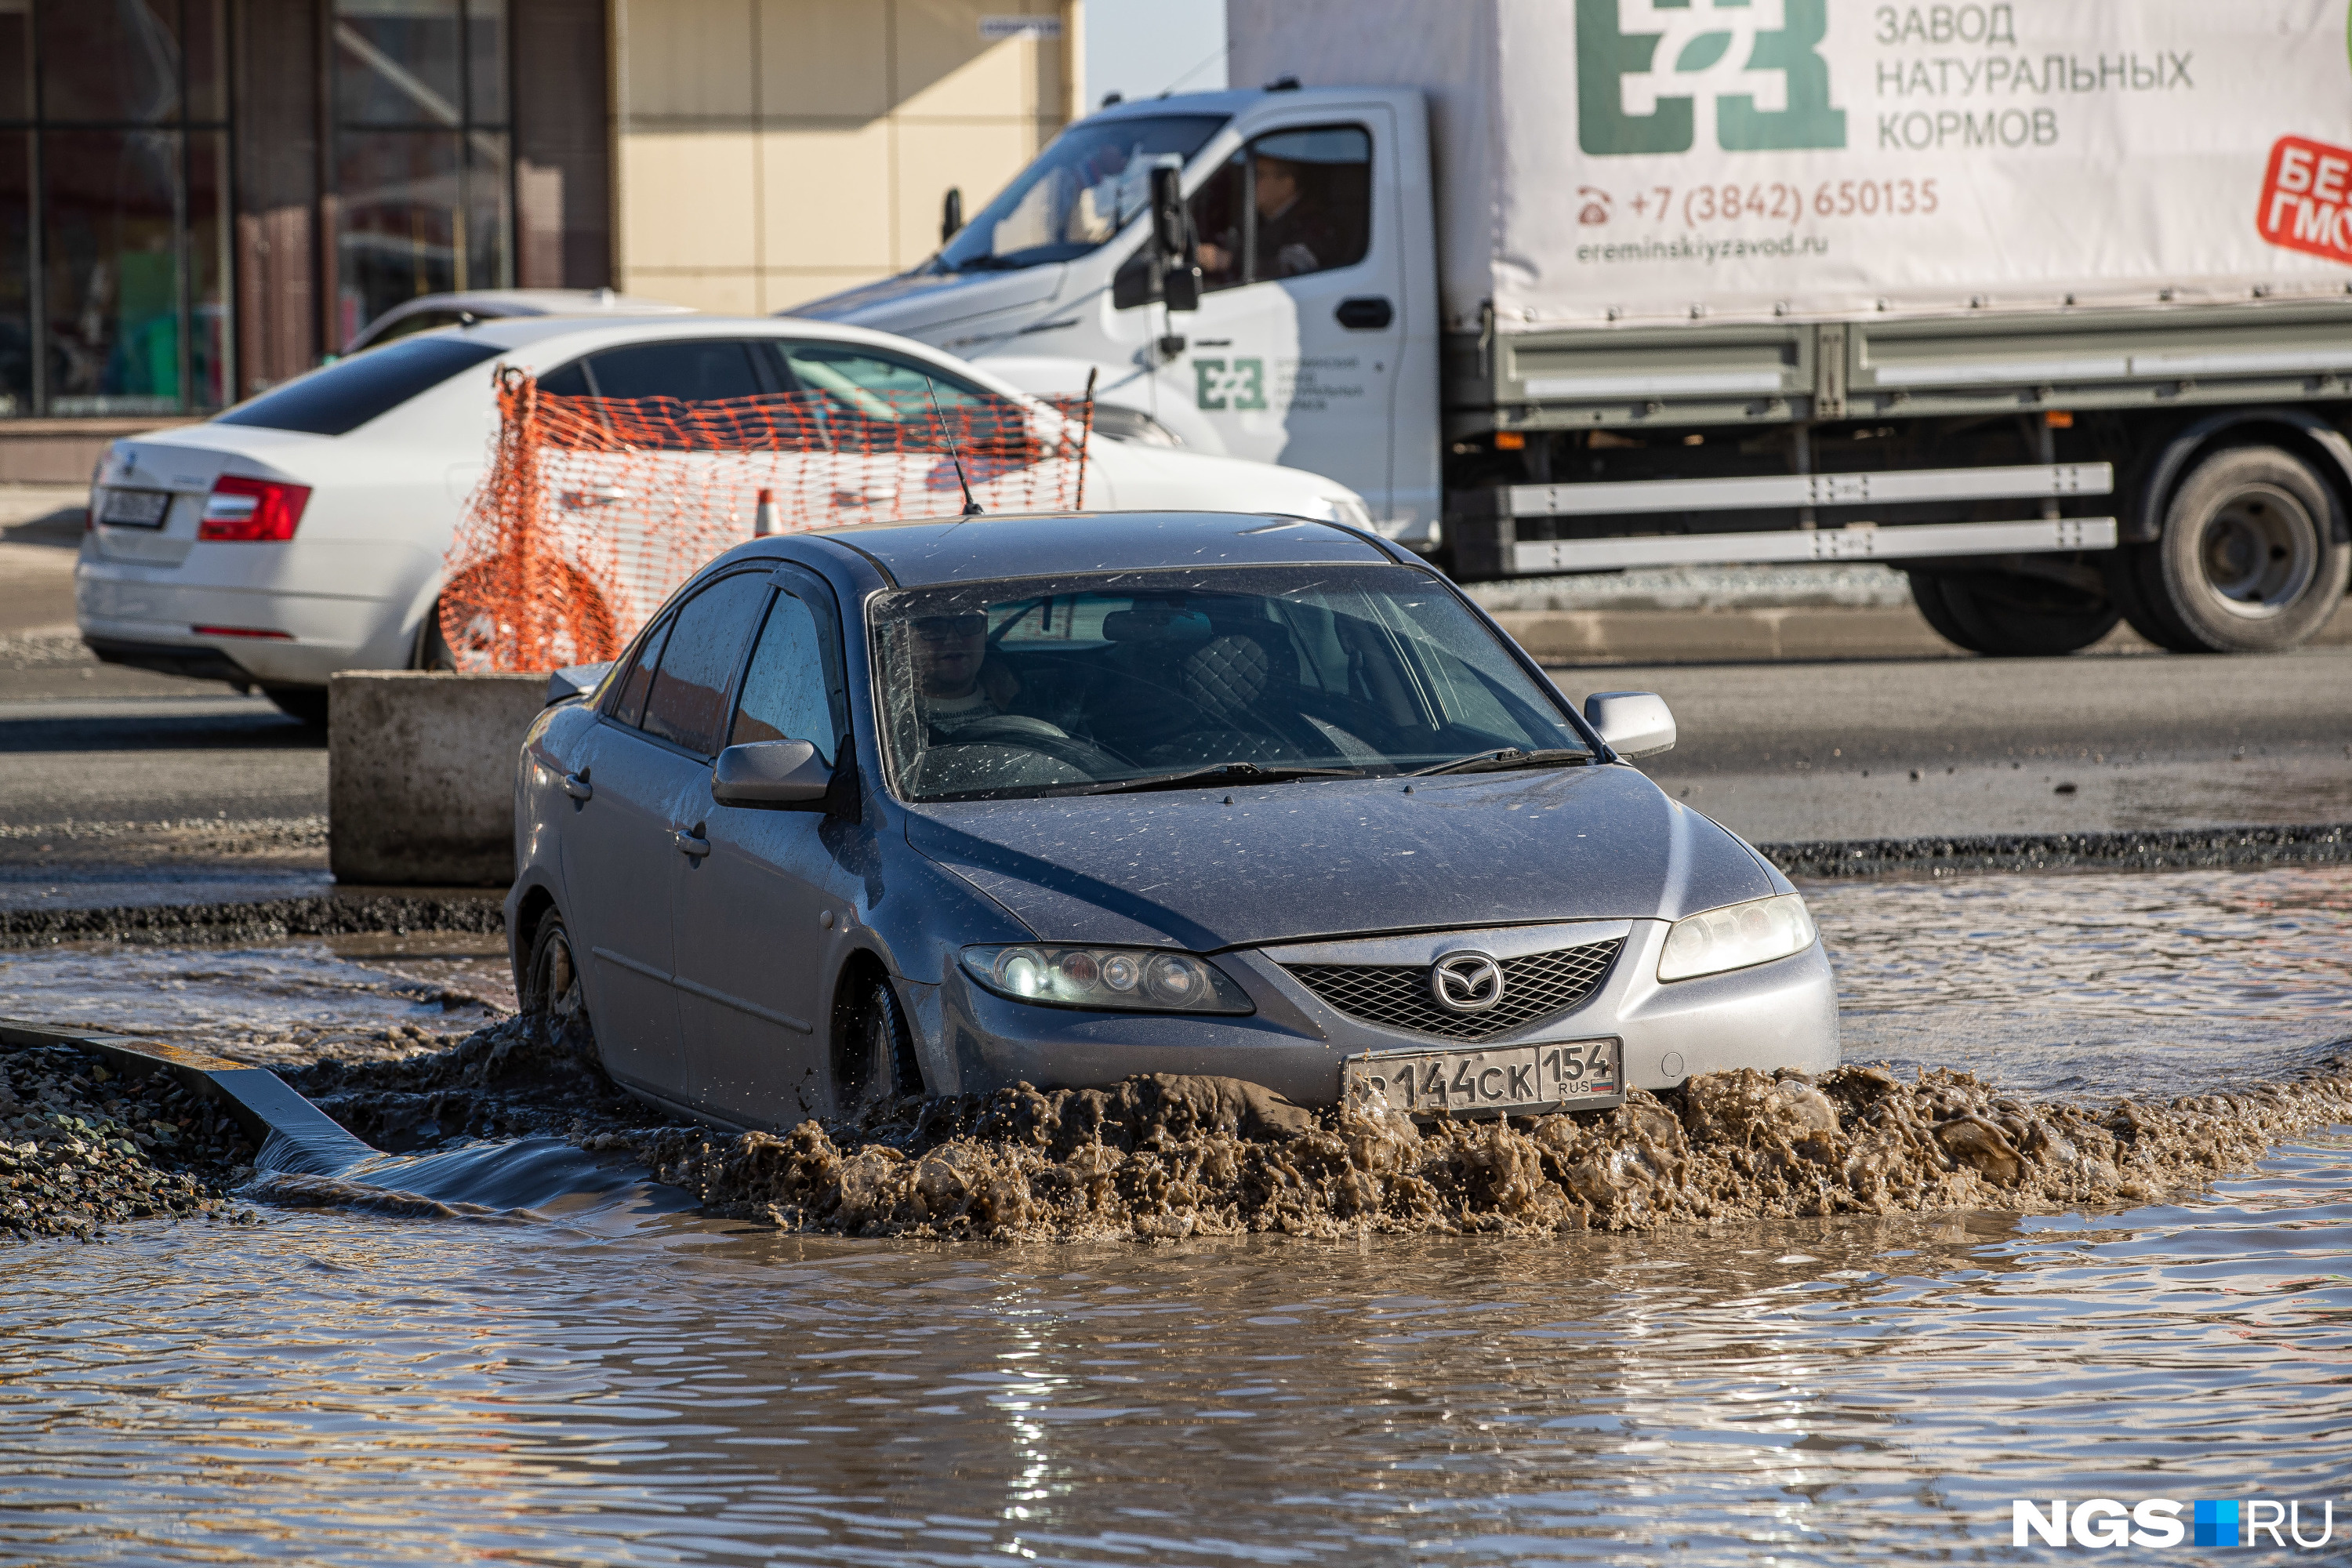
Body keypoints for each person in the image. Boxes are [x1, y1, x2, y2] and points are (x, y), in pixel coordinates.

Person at [1198, 152, 1340, 282]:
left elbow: (1293, 268)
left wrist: (1230, 261)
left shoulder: (1313, 224)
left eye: (1260, 175)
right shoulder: (1256, 219)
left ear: (1287, 184)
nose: (1251, 182)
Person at [911, 612, 1021, 735]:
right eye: (932, 626)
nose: (953, 639)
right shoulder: (893, 724)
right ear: (899, 637)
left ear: (985, 629)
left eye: (968, 622)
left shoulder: (1022, 699)